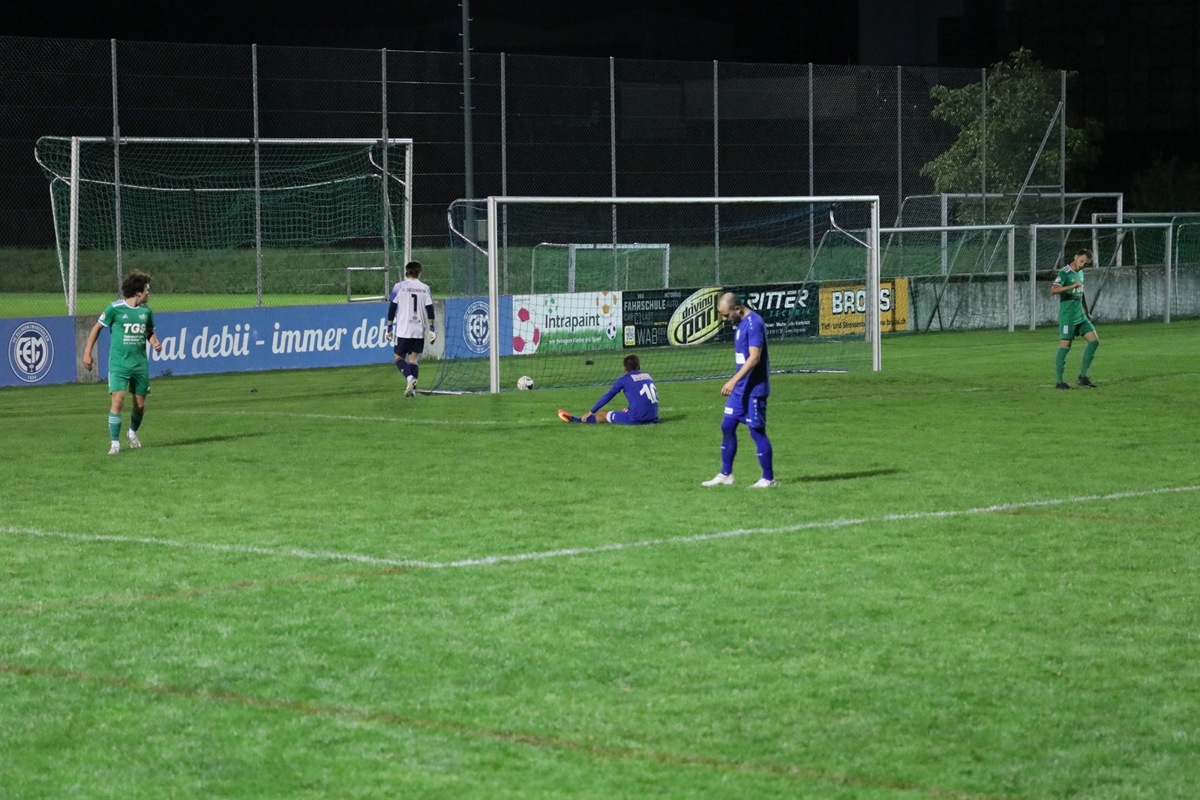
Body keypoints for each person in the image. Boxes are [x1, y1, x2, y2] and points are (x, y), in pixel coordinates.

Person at [82, 271, 163, 455]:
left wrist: (155, 343)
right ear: (137, 292)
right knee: (118, 401)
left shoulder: (146, 312)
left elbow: (148, 331)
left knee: (139, 405)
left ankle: (132, 432)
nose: (149, 293)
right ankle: (115, 444)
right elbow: (97, 328)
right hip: (119, 364)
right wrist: (87, 353)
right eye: (147, 290)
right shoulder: (114, 309)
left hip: (139, 364)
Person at [702, 292, 775, 488]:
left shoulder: (754, 323)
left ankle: (768, 478)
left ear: (737, 308)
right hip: (740, 391)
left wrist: (732, 381)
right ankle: (726, 474)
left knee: (756, 432)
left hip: (754, 389)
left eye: (726, 315)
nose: (725, 320)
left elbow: (754, 357)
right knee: (727, 426)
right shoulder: (740, 324)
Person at [557, 354, 659, 425]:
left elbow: (607, 396)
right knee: (628, 408)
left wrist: (591, 412)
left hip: (636, 419)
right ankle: (627, 412)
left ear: (624, 368)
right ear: (639, 366)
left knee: (602, 414)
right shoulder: (648, 375)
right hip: (653, 417)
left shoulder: (624, 379)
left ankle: (576, 420)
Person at [1050, 248, 1099, 389]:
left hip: (1081, 316)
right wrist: (1071, 286)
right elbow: (1053, 289)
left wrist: (1086, 310)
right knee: (1065, 347)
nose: (1082, 264)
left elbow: (1080, 292)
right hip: (1068, 318)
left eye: (1086, 263)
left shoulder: (1081, 273)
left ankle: (1083, 377)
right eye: (1081, 261)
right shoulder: (1064, 273)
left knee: (1094, 342)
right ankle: (1059, 382)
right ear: (1075, 257)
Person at [386, 260, 436, 397]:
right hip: (419, 329)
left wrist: (389, 327)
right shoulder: (425, 288)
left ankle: (409, 378)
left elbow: (392, 307)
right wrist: (432, 328)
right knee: (413, 360)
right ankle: (412, 391)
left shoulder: (399, 286)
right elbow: (430, 309)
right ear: (419, 273)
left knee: (398, 356)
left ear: (406, 272)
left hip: (404, 329)